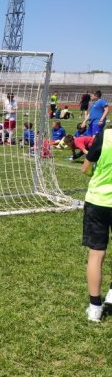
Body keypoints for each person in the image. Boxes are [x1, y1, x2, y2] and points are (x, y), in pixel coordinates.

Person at [80, 127, 112, 322]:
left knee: (96, 253)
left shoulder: (105, 136)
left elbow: (86, 168)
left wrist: (94, 172)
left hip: (98, 201)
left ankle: (94, 307)